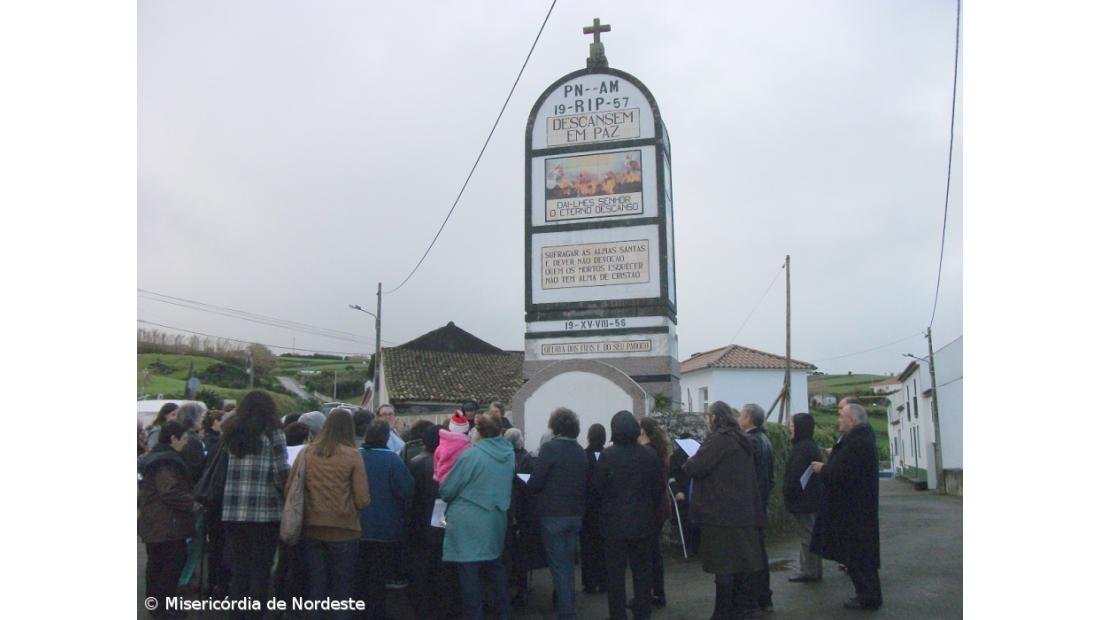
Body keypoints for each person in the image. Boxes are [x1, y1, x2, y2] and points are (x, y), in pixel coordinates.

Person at [682, 401, 765, 620]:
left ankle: (722, 613)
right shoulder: (742, 439)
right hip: (743, 512)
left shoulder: (719, 439)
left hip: (721, 514)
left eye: (708, 416)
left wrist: (691, 459)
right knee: (740, 566)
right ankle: (740, 610)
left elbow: (695, 467)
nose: (707, 420)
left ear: (715, 418)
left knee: (724, 568)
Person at [289, 409, 370, 620]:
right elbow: (362, 499)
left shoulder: (307, 452)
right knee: (342, 590)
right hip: (345, 530)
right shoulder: (353, 455)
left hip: (312, 527)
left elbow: (291, 488)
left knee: (316, 588)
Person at [221, 390, 289, 620]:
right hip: (264, 513)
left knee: (240, 570)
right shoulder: (273, 434)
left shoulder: (231, 433)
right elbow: (281, 475)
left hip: (232, 511)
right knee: (261, 570)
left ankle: (236, 615)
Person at [439, 413, 514, 620]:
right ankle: (503, 613)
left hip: (468, 521)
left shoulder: (470, 455)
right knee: (495, 568)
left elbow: (448, 490)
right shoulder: (509, 453)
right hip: (496, 518)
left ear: (478, 432)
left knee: (469, 575)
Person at [590, 411, 663, 620]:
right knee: (642, 573)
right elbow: (658, 488)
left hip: (613, 525)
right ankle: (642, 613)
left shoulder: (607, 455)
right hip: (642, 523)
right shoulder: (649, 455)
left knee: (615, 576)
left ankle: (618, 615)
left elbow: (597, 488)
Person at [810, 402, 883, 611]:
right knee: (858, 557)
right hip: (856, 509)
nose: (838, 420)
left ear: (852, 420)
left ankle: (868, 597)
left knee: (859, 558)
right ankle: (867, 595)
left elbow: (842, 474)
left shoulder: (857, 442)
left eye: (841, 416)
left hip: (854, 510)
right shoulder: (860, 439)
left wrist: (824, 468)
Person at [527, 408, 587, 620]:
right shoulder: (580, 451)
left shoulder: (550, 449)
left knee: (559, 567)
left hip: (553, 514)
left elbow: (535, 483)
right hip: (575, 514)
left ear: (555, 425)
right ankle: (569, 606)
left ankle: (567, 613)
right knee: (569, 566)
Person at [139, 421, 198, 618]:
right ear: (173, 439)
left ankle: (155, 604)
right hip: (168, 523)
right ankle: (165, 606)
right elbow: (169, 491)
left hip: (154, 522)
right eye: (184, 439)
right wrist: (193, 503)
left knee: (156, 564)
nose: (186, 443)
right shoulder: (168, 461)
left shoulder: (154, 457)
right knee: (172, 564)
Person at [358, 419, 415, 618]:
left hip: (358, 527)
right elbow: (407, 490)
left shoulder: (357, 456)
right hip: (386, 529)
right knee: (378, 577)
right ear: (386, 437)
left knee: (359, 576)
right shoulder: (392, 459)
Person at [408, 424, 461, 620]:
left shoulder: (416, 462)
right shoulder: (455, 461)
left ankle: (424, 608)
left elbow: (410, 495)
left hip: (422, 520)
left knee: (423, 568)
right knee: (445, 568)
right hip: (447, 518)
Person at [739, 403, 774, 613]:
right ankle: (765, 598)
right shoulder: (765, 440)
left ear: (749, 419)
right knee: (760, 553)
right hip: (761, 503)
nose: (738, 418)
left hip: (752, 506)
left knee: (752, 555)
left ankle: (754, 600)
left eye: (741, 415)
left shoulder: (751, 441)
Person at [783, 412, 824, 584]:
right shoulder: (809, 446)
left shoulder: (802, 449)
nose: (790, 428)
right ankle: (812, 569)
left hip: (804, 501)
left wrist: (788, 492)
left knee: (807, 537)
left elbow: (795, 478)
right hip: (810, 499)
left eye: (792, 425)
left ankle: (810, 571)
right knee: (809, 535)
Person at [502, 427, 540, 607]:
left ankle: (520, 587)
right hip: (521, 511)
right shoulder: (526, 458)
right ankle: (519, 585)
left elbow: (527, 484)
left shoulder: (522, 459)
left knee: (518, 553)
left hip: (518, 511)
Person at [638, 417, 672, 608]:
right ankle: (658, 592)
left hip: (651, 509)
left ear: (642, 432)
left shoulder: (647, 453)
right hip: (660, 507)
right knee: (654, 552)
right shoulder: (660, 451)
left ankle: (651, 594)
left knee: (648, 554)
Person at [580, 423, 608, 594]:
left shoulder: (584, 455)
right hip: (605, 508)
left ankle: (589, 582)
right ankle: (604, 580)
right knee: (604, 547)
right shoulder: (608, 455)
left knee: (588, 546)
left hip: (588, 508)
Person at [669, 432, 702, 557]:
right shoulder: (676, 456)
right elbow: (672, 476)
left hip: (690, 492)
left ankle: (694, 547)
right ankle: (690, 547)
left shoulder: (697, 454)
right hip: (685, 492)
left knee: (691, 522)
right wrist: (677, 491)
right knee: (687, 521)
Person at [434, 410, 472, 484]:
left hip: (443, 484)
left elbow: (436, 468)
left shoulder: (440, 447)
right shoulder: (468, 448)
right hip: (461, 485)